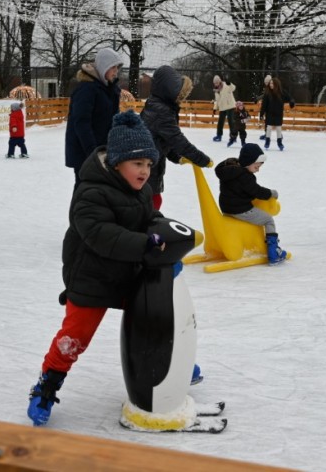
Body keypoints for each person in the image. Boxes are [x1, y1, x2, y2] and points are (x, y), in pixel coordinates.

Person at [27, 109, 168, 426]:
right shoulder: (90, 192)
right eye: (137, 164)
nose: (145, 171)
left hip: (127, 272)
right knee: (75, 337)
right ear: (117, 162)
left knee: (153, 318)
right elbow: (101, 235)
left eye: (148, 164)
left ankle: (171, 364)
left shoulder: (142, 190)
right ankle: (46, 385)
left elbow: (149, 220)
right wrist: (144, 244)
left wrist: (164, 234)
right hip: (92, 277)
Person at [140, 65, 212, 210]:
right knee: (151, 203)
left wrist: (176, 157)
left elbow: (162, 139)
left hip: (150, 163)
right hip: (148, 165)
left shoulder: (157, 104)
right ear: (169, 90)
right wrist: (202, 159)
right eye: (180, 95)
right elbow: (177, 140)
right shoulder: (161, 111)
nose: (181, 99)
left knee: (153, 201)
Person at [214, 143, 286, 265]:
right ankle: (274, 253)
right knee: (268, 220)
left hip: (226, 208)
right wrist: (272, 193)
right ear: (248, 162)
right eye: (256, 167)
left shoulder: (229, 170)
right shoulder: (245, 176)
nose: (257, 171)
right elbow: (257, 191)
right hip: (241, 210)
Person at [64, 48, 122, 187]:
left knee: (99, 190)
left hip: (102, 149)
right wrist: (93, 152)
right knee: (85, 187)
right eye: (113, 67)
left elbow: (113, 119)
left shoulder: (109, 89)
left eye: (117, 67)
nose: (116, 71)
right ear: (104, 67)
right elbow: (81, 123)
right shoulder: (87, 89)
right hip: (85, 152)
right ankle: (78, 210)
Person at [258, 74, 295, 151]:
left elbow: (290, 98)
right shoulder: (267, 93)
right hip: (269, 113)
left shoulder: (282, 93)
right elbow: (264, 105)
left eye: (272, 83)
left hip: (278, 114)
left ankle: (279, 143)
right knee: (268, 128)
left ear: (276, 84)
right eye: (270, 83)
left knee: (278, 128)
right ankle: (267, 142)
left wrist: (291, 102)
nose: (270, 85)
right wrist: (261, 114)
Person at [212, 74, 236, 143]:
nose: (216, 84)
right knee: (220, 122)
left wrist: (230, 84)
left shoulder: (226, 85)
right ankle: (219, 135)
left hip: (230, 106)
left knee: (231, 121)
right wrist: (215, 108)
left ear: (219, 81)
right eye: (215, 83)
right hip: (222, 108)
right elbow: (217, 100)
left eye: (217, 82)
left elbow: (233, 88)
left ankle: (233, 136)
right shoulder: (216, 90)